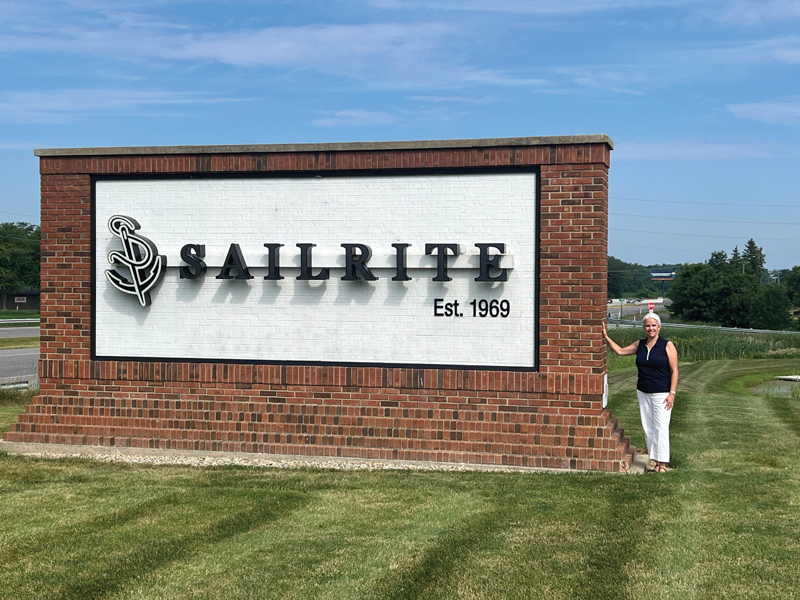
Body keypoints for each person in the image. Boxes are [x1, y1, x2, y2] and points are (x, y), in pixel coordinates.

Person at [602, 313, 678, 473]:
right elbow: (621, 351)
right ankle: (653, 459)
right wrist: (606, 337)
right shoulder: (640, 344)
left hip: (662, 393)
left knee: (661, 427)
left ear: (659, 327)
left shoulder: (667, 345)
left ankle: (662, 464)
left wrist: (672, 393)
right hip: (643, 391)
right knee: (648, 427)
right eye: (647, 326)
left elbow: (675, 370)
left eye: (653, 325)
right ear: (644, 328)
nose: (650, 328)